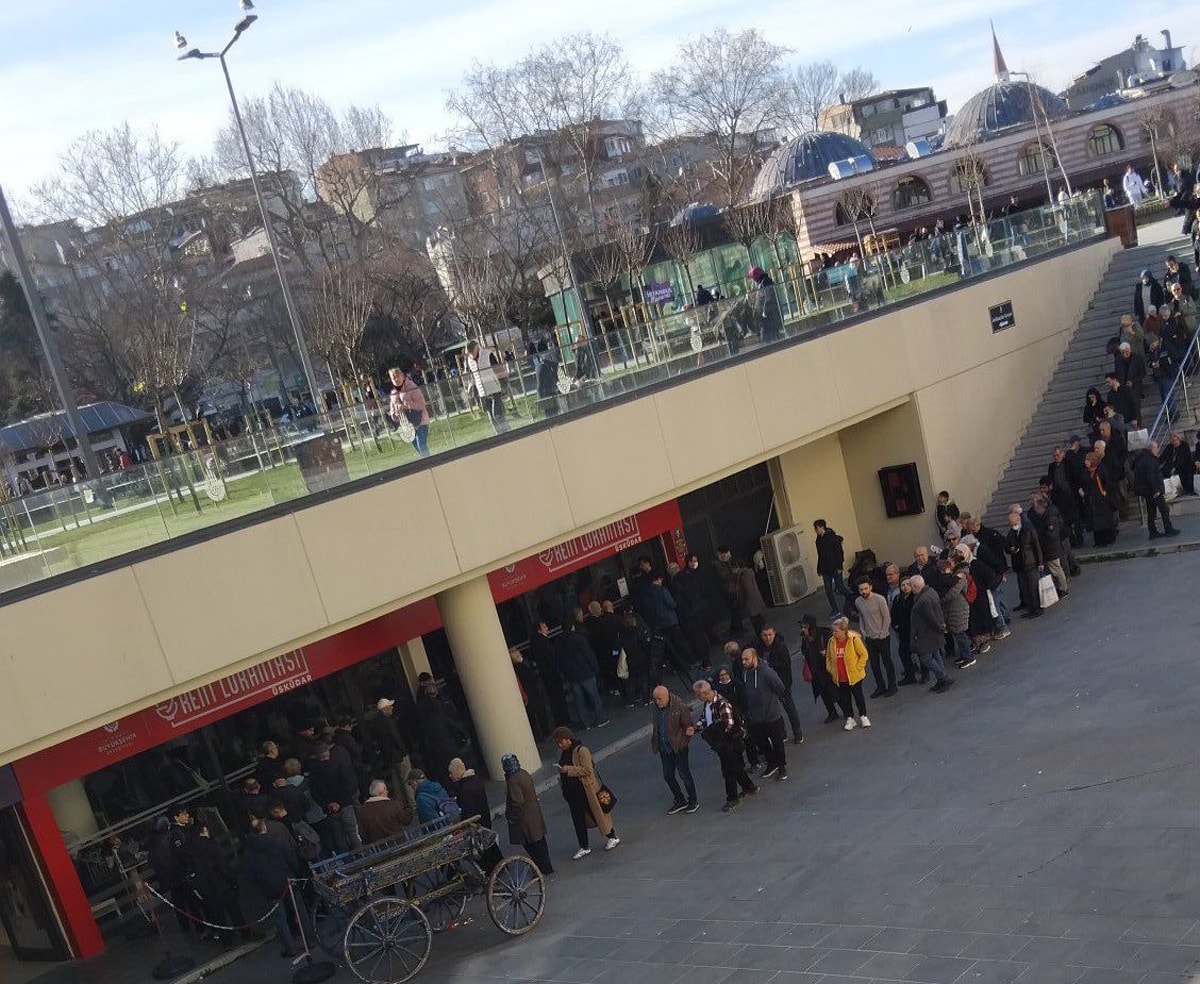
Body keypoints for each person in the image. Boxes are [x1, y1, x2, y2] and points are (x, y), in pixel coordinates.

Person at [240, 815, 308, 958]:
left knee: (280, 918)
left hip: (269, 887)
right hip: (287, 881)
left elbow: (250, 875)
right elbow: (292, 860)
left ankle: (290, 948)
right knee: (300, 910)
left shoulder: (248, 852)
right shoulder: (278, 842)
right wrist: (292, 873)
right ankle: (310, 939)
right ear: (264, 827)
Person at [692, 678, 758, 812]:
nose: (697, 697)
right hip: (722, 744)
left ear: (704, 693)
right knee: (736, 767)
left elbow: (728, 724)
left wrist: (714, 735)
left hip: (729, 743)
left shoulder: (722, 704)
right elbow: (705, 718)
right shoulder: (708, 704)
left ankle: (732, 798)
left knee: (728, 771)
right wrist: (695, 728)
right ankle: (749, 787)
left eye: (697, 695)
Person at [553, 727, 619, 859]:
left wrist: (568, 770)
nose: (560, 745)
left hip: (586, 791)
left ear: (568, 739)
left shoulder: (581, 751)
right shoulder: (563, 753)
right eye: (558, 743)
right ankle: (584, 846)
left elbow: (587, 770)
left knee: (598, 815)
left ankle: (612, 836)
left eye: (561, 742)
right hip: (572, 794)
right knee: (578, 821)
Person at [739, 647, 789, 781]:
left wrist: (772, 704)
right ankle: (772, 763)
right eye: (742, 659)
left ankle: (782, 766)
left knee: (777, 743)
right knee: (761, 743)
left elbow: (780, 687)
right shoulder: (744, 673)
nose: (743, 662)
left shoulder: (767, 672)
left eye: (746, 659)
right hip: (754, 717)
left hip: (771, 715)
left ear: (754, 658)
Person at [649, 686, 699, 814]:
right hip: (664, 748)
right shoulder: (656, 708)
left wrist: (682, 742)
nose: (657, 702)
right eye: (655, 699)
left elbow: (689, 726)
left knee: (684, 774)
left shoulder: (680, 707)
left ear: (667, 696)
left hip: (678, 748)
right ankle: (680, 800)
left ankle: (693, 800)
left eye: (659, 699)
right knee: (668, 776)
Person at [448, 758, 503, 869]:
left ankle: (493, 869)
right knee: (489, 844)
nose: (450, 776)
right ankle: (499, 865)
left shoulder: (465, 788)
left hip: (477, 822)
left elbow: (468, 810)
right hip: (483, 816)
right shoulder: (474, 781)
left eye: (451, 773)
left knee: (482, 847)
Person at [502, 754, 553, 874]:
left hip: (524, 820)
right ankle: (546, 866)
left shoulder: (513, 780)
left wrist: (512, 817)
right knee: (540, 842)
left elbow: (517, 802)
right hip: (534, 814)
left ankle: (543, 868)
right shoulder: (523, 773)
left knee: (533, 846)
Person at [309, 741, 362, 854]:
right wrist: (340, 802)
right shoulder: (337, 765)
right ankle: (361, 854)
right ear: (328, 753)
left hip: (330, 810)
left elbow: (315, 794)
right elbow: (346, 784)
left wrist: (327, 804)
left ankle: (347, 862)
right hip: (345, 804)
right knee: (352, 832)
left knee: (339, 837)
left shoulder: (313, 773)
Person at [414, 673, 467, 783]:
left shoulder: (422, 705)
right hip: (445, 740)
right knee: (452, 766)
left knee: (443, 769)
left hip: (436, 743)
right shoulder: (435, 706)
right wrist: (461, 732)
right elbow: (447, 720)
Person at [908, 575, 954, 693]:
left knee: (926, 658)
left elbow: (931, 618)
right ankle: (941, 679)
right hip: (933, 633)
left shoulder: (923, 600)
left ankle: (943, 678)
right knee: (935, 655)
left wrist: (938, 628)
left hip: (926, 634)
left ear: (915, 586)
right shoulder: (931, 592)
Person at [556, 621, 606, 730]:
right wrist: (595, 667)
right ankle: (600, 719)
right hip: (585, 672)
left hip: (572, 676)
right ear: (573, 627)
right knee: (594, 696)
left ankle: (586, 722)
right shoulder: (578, 638)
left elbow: (560, 661)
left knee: (579, 701)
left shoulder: (560, 642)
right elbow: (588, 654)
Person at [825, 617, 871, 731]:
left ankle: (863, 716)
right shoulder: (831, 642)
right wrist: (830, 669)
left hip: (854, 676)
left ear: (843, 630)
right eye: (833, 631)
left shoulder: (853, 639)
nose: (834, 633)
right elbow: (829, 658)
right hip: (840, 677)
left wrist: (858, 668)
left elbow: (864, 654)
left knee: (858, 696)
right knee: (845, 699)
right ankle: (850, 718)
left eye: (836, 631)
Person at [759, 625, 803, 743]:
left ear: (774, 634)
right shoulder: (760, 647)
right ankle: (782, 733)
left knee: (789, 707)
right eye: (765, 635)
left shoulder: (780, 646)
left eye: (770, 635)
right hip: (768, 684)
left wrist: (769, 664)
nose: (768, 638)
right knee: (774, 710)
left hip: (782, 683)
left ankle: (798, 732)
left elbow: (786, 665)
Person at [853, 578, 896, 698]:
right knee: (874, 664)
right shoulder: (858, 601)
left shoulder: (879, 599)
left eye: (866, 588)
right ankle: (880, 686)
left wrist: (882, 633)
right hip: (869, 638)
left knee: (887, 662)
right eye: (861, 589)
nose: (863, 591)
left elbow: (887, 617)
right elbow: (861, 616)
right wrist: (863, 630)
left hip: (883, 637)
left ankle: (892, 686)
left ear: (870, 587)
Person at [1132, 440, 1181, 540]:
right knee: (1164, 509)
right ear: (1152, 449)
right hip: (1153, 491)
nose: (1158, 450)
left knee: (1151, 511)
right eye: (1156, 448)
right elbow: (1151, 477)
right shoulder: (1150, 460)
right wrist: (1156, 491)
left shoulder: (1141, 459)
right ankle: (1168, 529)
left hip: (1146, 491)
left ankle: (1153, 532)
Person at [1005, 504, 1043, 619]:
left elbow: (1036, 545)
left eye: (1014, 524)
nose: (1013, 526)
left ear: (1019, 519)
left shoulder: (1028, 529)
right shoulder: (1012, 532)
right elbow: (1007, 546)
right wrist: (1011, 549)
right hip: (1019, 563)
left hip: (1030, 562)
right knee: (1025, 588)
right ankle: (1030, 608)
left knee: (1032, 587)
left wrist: (1040, 562)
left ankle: (1037, 608)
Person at [799, 615, 840, 721]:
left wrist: (826, 653)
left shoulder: (824, 634)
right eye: (802, 627)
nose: (803, 630)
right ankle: (832, 713)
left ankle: (846, 711)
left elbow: (834, 647)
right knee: (823, 693)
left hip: (827, 670)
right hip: (816, 672)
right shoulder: (805, 639)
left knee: (836, 692)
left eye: (805, 627)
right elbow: (804, 649)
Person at [1029, 494, 1070, 597]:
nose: (1035, 511)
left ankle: (1063, 588)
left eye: (1036, 509)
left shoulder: (1049, 518)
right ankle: (1059, 587)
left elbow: (1052, 534)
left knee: (1056, 569)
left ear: (1040, 508)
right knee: (1053, 570)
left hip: (1052, 548)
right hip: (1048, 549)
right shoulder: (1043, 517)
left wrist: (1041, 534)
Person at [464, 340, 508, 434]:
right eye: (469, 354)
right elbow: (473, 377)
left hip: (495, 388)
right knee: (491, 417)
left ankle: (506, 432)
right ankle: (499, 435)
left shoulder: (488, 355)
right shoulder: (469, 359)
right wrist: (475, 394)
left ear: (477, 348)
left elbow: (498, 370)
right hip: (483, 392)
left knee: (497, 414)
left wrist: (504, 386)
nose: (471, 355)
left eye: (472, 352)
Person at [511, 648, 553, 741]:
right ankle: (542, 734)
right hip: (530, 692)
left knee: (539, 714)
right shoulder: (519, 667)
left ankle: (543, 734)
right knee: (536, 715)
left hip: (534, 691)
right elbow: (530, 676)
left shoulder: (526, 662)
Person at [388, 366, 430, 457]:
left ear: (402, 376)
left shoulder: (412, 387)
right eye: (393, 377)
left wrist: (405, 407)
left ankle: (429, 463)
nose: (396, 379)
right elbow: (392, 412)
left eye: (398, 376)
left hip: (420, 421)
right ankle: (424, 465)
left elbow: (421, 404)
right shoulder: (393, 394)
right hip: (407, 426)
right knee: (417, 448)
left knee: (421, 445)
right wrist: (395, 414)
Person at [356, 779, 413, 844]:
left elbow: (362, 834)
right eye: (386, 789)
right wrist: (409, 809)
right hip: (399, 844)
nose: (387, 791)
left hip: (378, 849)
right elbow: (407, 820)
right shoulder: (394, 805)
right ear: (381, 792)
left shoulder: (362, 811)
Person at [813, 519, 849, 618]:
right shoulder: (818, 540)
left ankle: (852, 599)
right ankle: (835, 610)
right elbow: (820, 555)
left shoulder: (833, 538)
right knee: (828, 590)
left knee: (840, 587)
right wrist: (819, 569)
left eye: (816, 528)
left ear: (821, 527)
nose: (815, 531)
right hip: (825, 569)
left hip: (835, 568)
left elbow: (839, 553)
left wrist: (839, 567)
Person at [1084, 450, 1119, 547]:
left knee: (1105, 520)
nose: (1086, 462)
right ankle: (1099, 541)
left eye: (1088, 460)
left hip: (1102, 499)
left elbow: (1107, 482)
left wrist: (1105, 492)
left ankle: (1109, 539)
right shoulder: (1087, 472)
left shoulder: (1101, 469)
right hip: (1093, 500)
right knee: (1096, 522)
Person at [735, 559, 768, 636]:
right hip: (756, 600)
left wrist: (742, 601)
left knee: (756, 621)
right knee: (760, 619)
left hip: (750, 603)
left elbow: (746, 590)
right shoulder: (749, 572)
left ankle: (761, 636)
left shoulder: (743, 576)